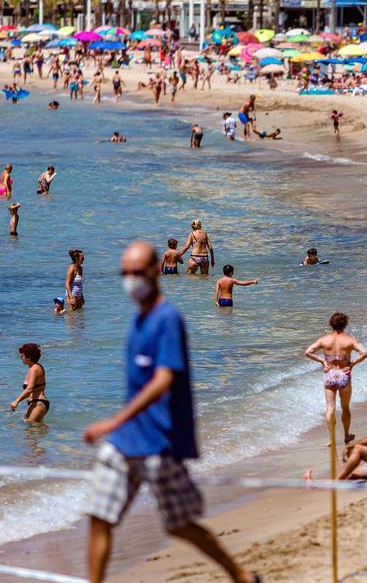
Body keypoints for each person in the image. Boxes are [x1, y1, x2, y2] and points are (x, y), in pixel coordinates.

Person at [82, 242, 258, 583]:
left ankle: (240, 576)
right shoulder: (138, 319)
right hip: (123, 441)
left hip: (158, 442)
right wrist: (120, 425)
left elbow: (164, 380)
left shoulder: (167, 318)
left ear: (156, 270)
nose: (130, 280)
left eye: (137, 272)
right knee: (99, 515)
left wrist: (114, 419)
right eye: (125, 273)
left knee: (180, 525)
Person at [304, 312, 367, 446]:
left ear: (330, 324)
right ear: (345, 325)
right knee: (345, 407)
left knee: (330, 408)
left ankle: (332, 438)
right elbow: (364, 353)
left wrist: (322, 361)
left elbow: (308, 352)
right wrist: (352, 364)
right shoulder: (349, 340)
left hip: (330, 373)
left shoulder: (324, 340)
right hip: (344, 374)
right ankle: (346, 435)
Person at [9, 342, 49, 422]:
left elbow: (30, 388)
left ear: (29, 357)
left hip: (39, 403)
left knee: (31, 430)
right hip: (34, 403)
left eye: (23, 355)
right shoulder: (32, 368)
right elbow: (29, 391)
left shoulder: (35, 368)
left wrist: (17, 401)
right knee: (33, 430)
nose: (21, 357)